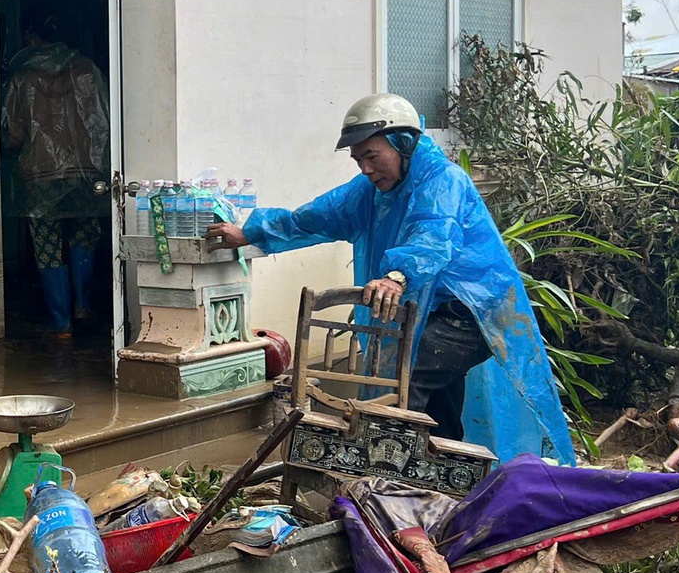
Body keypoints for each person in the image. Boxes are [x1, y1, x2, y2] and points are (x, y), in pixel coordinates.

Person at [204, 92, 575, 463]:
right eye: (358, 160)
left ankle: (381, 474)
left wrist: (397, 276)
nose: (366, 169)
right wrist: (250, 232)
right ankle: (444, 481)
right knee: (439, 405)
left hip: (469, 313)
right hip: (425, 315)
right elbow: (315, 217)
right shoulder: (369, 192)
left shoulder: (443, 180)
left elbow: (433, 235)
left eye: (372, 156)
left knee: (401, 381)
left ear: (403, 143)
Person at [2, 19, 109, 337]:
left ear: (31, 36)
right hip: (85, 174)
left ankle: (61, 323)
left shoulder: (21, 78)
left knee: (48, 246)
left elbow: (14, 136)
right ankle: (83, 306)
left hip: (40, 177)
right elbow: (103, 123)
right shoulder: (87, 70)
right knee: (84, 237)